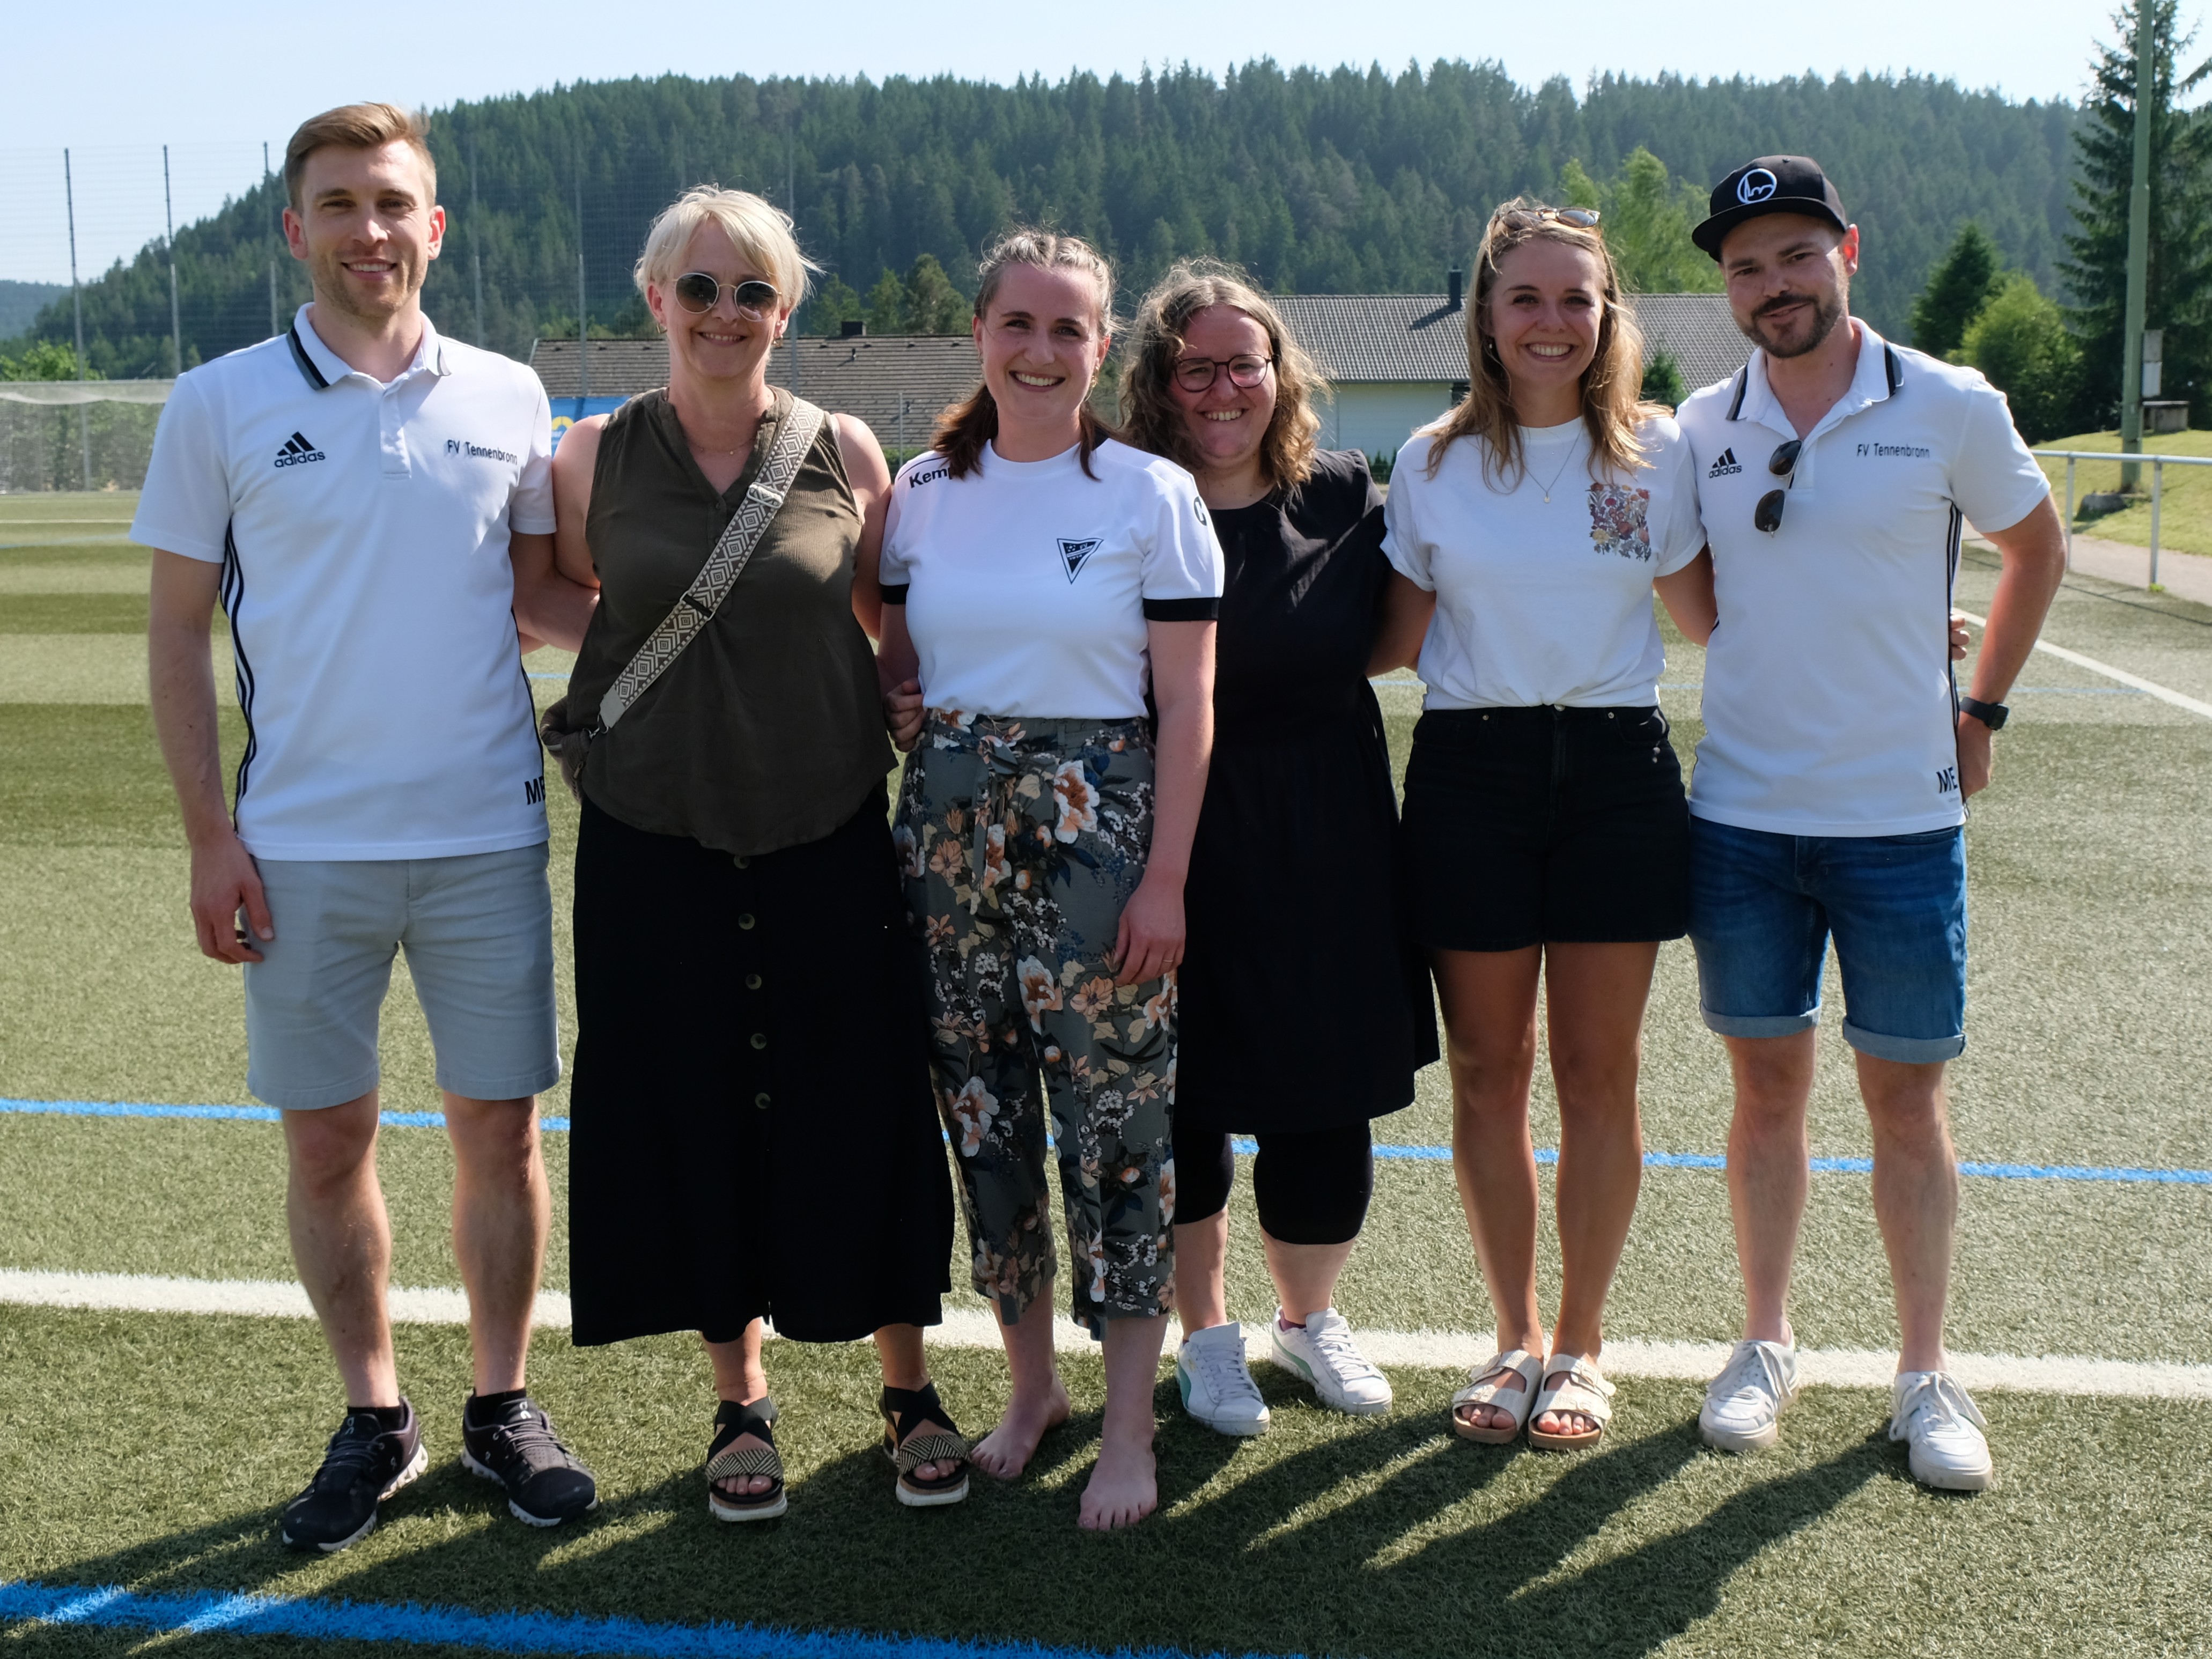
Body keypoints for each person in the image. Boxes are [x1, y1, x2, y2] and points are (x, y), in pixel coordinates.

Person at [139, 102, 600, 1551]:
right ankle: (375, 1415)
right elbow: (172, 639)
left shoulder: (510, 393)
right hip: (299, 847)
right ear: (297, 229)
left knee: (499, 1129)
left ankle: (501, 1403)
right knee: (330, 1137)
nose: (369, 229)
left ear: (435, 225)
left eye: (393, 202)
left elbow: (537, 602)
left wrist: (741, 638)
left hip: (482, 834)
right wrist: (212, 836)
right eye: (337, 204)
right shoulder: (214, 402)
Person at [547, 186, 963, 1520]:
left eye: (754, 291)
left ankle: (908, 1385)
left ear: (785, 311)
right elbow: (559, 594)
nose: (725, 312)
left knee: (865, 1092)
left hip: (824, 825)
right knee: (692, 1103)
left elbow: (882, 608)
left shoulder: (843, 444)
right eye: (702, 286)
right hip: (653, 831)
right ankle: (741, 1399)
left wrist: (894, 691)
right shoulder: (590, 455)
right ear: (654, 297)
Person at [1672, 157, 2064, 1492]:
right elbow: (1692, 584)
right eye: (1742, 266)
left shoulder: (1949, 401)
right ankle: (1765, 1343)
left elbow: (2036, 547)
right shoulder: (1698, 422)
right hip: (1738, 819)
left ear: (1846, 250)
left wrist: (1982, 711)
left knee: (1905, 1101)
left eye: (1792, 255)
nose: (1770, 284)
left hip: (1901, 821)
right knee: (1764, 1092)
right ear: (1722, 286)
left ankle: (1919, 1374)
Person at [877, 229, 1220, 1530]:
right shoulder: (922, 488)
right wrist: (898, 698)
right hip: (949, 835)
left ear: (1101, 344)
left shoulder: (1147, 493)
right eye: (1017, 325)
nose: (1039, 350)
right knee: (984, 1114)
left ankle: (1130, 1420)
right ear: (980, 335)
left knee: (1119, 1124)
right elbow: (899, 662)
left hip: (1102, 837)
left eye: (1067, 329)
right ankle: (1034, 1389)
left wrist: (1165, 877)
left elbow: (1188, 705)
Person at [1380, 202, 1715, 1451]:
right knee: (1486, 1069)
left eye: (1577, 298)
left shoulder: (1658, 454)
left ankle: (1580, 1343)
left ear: (1607, 315)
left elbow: (1718, 619)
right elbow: (1385, 641)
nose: (1552, 322)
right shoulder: (1428, 460)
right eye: (1526, 297)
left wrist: (1901, 636)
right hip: (1471, 772)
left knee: (1596, 1074)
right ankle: (1512, 1335)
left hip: (1618, 775)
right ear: (1484, 312)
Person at [1114, 260, 1437, 1435]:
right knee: (1185, 1102)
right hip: (1176, 836)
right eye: (1192, 366)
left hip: (1332, 832)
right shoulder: (1127, 500)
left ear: (1278, 374)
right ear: (1158, 380)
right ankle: (1207, 1339)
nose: (1219, 388)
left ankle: (1305, 1321)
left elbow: (1414, 629)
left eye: (1240, 364)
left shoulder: (1344, 493)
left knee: (1325, 1100)